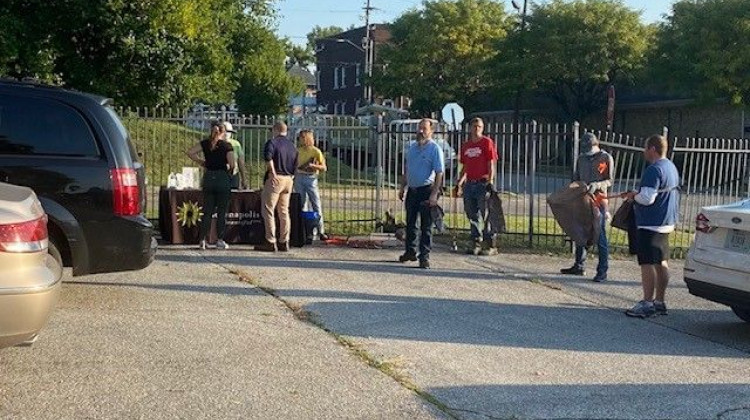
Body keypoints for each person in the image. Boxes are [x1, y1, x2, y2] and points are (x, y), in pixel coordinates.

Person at [621, 134, 680, 318]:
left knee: (647, 263)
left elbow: (647, 198)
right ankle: (659, 301)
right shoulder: (670, 167)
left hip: (651, 222)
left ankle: (647, 302)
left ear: (653, 149)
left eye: (646, 148)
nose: (644, 151)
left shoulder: (654, 170)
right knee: (661, 261)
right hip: (666, 221)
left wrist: (633, 196)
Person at [560, 132, 615, 282]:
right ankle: (579, 265)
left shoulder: (605, 158)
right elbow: (576, 178)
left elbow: (609, 180)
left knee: (600, 234)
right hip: (582, 200)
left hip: (599, 200)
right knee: (579, 232)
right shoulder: (581, 159)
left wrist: (597, 185)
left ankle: (602, 270)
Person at [397, 118, 445, 269]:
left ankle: (424, 256)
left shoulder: (434, 149)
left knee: (426, 226)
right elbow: (407, 169)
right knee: (411, 223)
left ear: (431, 131)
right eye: (419, 128)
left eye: (424, 128)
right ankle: (410, 251)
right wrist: (402, 187)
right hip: (413, 190)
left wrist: (434, 194)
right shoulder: (412, 148)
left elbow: (439, 173)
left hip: (427, 190)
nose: (421, 131)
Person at [186, 120, 235, 250]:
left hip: (208, 178)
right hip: (222, 178)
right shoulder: (227, 146)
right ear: (223, 132)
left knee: (207, 211)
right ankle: (219, 239)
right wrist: (229, 171)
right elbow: (232, 164)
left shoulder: (205, 143)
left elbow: (190, 152)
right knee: (221, 211)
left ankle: (202, 239)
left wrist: (202, 162)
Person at [455, 117, 499, 256]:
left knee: (486, 214)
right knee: (472, 214)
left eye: (479, 126)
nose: (476, 129)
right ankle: (475, 241)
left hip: (482, 182)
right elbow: (465, 166)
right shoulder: (466, 146)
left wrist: (490, 181)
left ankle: (490, 244)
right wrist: (459, 183)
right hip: (470, 183)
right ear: (470, 128)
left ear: (482, 128)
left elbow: (490, 163)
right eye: (474, 126)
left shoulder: (486, 143)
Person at [256, 121, 298, 252]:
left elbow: (268, 158)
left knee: (268, 210)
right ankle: (284, 241)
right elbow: (296, 163)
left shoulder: (272, 143)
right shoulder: (292, 146)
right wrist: (292, 176)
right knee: (284, 211)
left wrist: (272, 173)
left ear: (275, 130)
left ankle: (270, 240)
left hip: (276, 178)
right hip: (288, 179)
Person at [294, 129, 329, 241]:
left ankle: (320, 230)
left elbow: (324, 167)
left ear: (308, 138)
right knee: (302, 203)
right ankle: (305, 230)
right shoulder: (297, 151)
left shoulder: (315, 151)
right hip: (299, 177)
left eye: (303, 137)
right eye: (300, 138)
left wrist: (313, 166)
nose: (300, 140)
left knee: (316, 203)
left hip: (311, 178)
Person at [223, 122, 248, 189]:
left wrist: (244, 178)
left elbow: (241, 163)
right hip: (220, 175)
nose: (227, 134)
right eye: (225, 131)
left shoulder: (236, 144)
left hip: (233, 175)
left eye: (229, 132)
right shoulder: (215, 143)